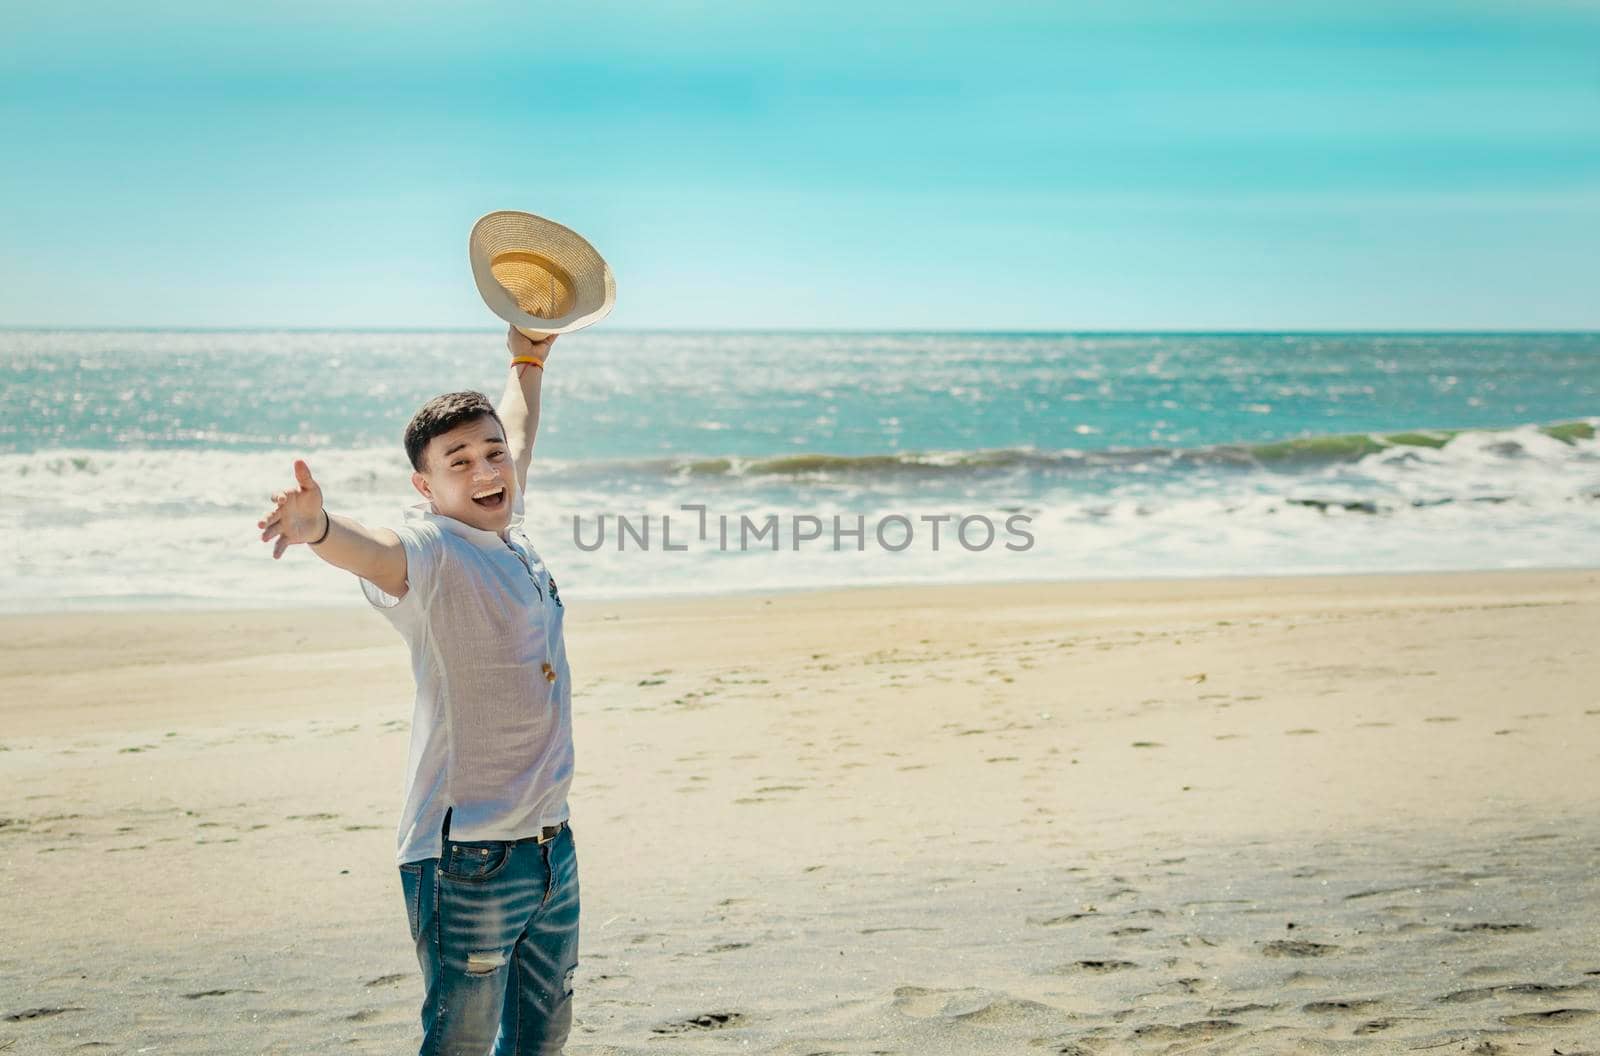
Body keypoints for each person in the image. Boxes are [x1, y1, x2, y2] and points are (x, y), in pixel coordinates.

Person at [256, 326, 578, 1055]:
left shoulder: (508, 531)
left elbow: (518, 431)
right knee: (460, 1039)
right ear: (426, 488)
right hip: (465, 855)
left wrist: (527, 359)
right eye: (459, 462)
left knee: (542, 1033)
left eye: (491, 455)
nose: (487, 469)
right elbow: (376, 553)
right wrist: (320, 528)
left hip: (550, 843)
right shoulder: (434, 552)